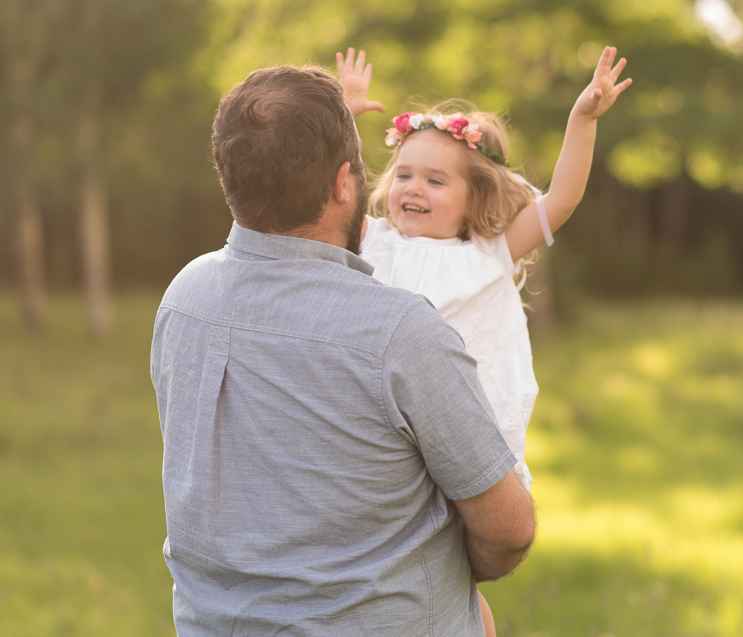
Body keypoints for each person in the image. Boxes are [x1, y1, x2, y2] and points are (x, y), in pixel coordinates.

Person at [150, 63, 535, 635]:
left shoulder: (184, 298)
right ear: (342, 184)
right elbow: (508, 531)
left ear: (232, 178)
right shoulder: (400, 332)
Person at [337, 46, 631, 635]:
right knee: (409, 567)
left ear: (476, 198)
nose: (413, 188)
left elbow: (563, 199)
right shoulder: (373, 241)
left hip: (462, 437)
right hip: (387, 434)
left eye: (436, 180)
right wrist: (344, 118)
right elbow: (325, 189)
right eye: (405, 174)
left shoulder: (488, 252)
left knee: (454, 574)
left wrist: (583, 120)